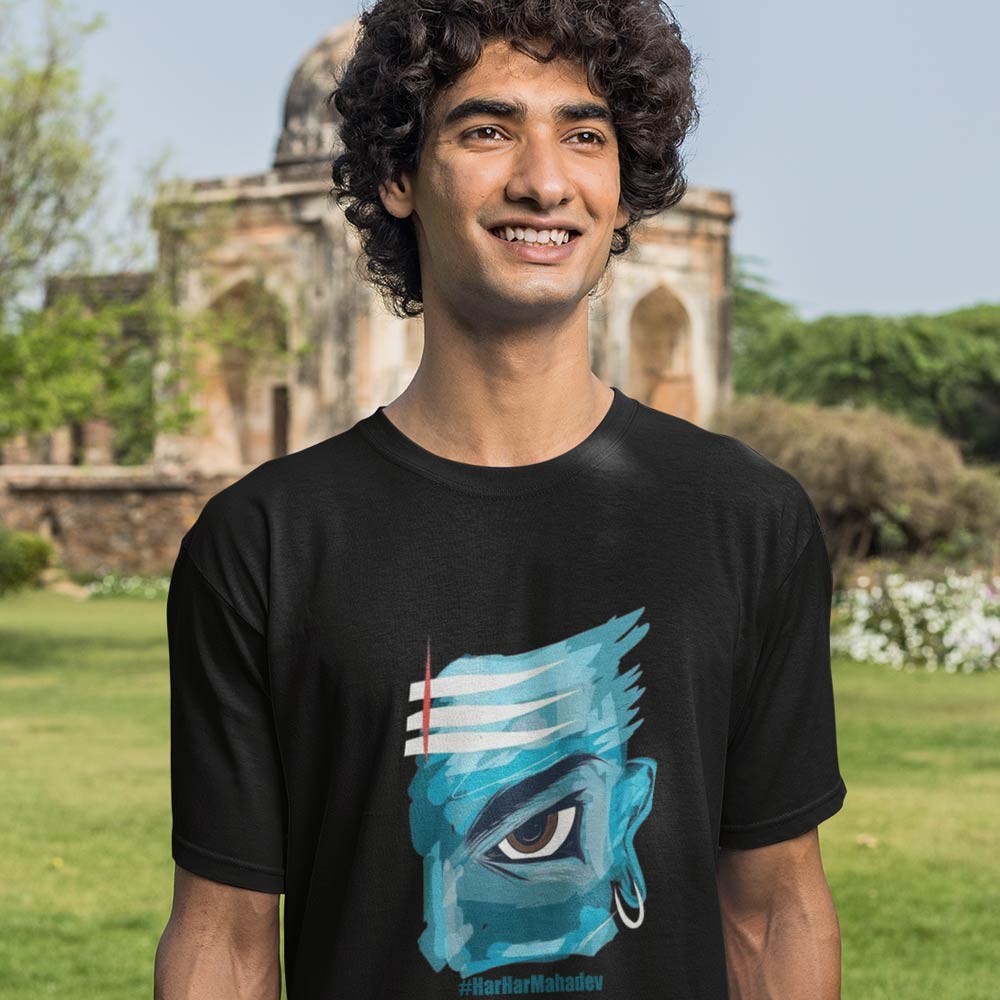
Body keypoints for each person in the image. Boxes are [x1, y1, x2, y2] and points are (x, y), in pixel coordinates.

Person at [154, 0, 847, 997]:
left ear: (624, 187)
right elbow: (224, 939)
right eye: (487, 130)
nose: (544, 180)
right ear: (398, 175)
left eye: (585, 135)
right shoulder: (267, 544)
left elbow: (773, 912)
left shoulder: (746, 523)